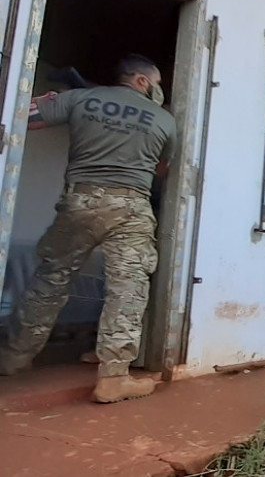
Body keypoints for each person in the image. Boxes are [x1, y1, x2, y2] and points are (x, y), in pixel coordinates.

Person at [0, 55, 175, 404]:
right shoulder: (164, 119)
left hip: (79, 200)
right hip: (130, 207)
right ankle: (113, 377)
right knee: (128, 286)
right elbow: (160, 169)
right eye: (156, 84)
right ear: (142, 82)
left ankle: (13, 357)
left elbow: (23, 118)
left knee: (51, 278)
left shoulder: (78, 99)